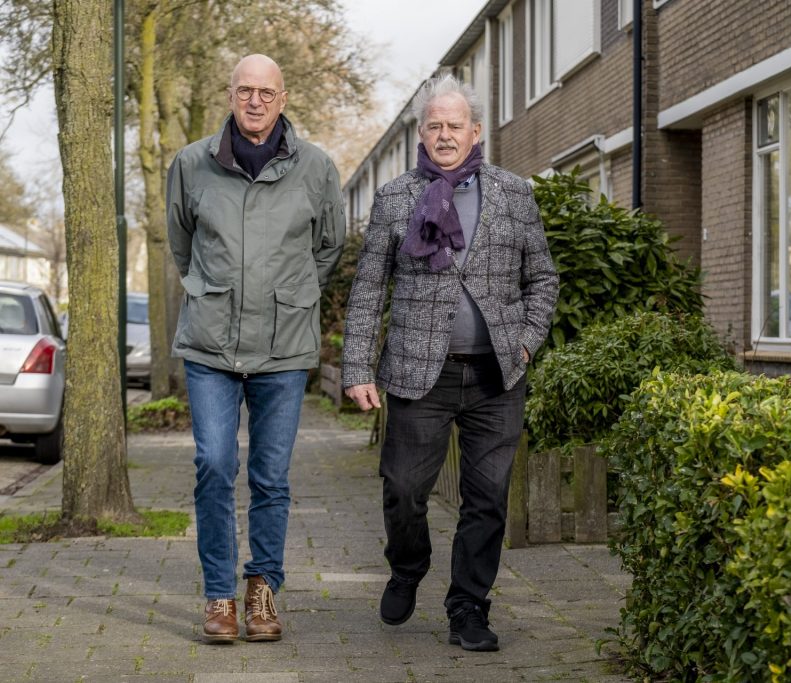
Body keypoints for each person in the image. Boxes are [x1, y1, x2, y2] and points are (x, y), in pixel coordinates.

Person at [342, 74, 558, 652]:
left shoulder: (515, 193)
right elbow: (368, 290)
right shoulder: (395, 198)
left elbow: (541, 278)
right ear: (422, 131)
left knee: (486, 499)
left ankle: (468, 607)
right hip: (418, 372)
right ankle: (408, 566)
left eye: (454, 125)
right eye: (434, 125)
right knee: (404, 489)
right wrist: (357, 368)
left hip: (496, 374)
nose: (444, 134)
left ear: (476, 131)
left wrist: (528, 340)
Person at [166, 53, 345, 644]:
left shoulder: (316, 168)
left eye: (266, 92)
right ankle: (219, 595)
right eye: (246, 91)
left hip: (285, 347)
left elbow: (328, 248)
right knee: (215, 466)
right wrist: (214, 289)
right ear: (230, 94)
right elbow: (181, 243)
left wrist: (290, 295)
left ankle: (262, 590)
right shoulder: (191, 164)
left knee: (271, 476)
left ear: (284, 97)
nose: (256, 101)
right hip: (210, 343)